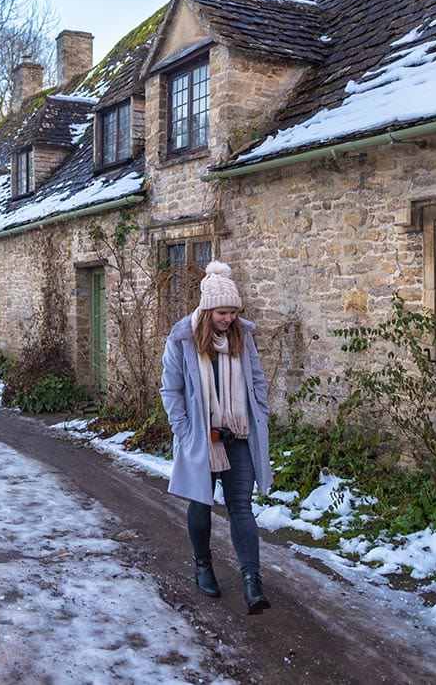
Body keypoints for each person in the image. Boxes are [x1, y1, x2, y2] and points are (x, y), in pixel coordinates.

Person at [160, 260, 273, 614]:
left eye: (234, 312)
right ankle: (203, 565)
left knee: (241, 506)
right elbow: (171, 389)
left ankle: (252, 582)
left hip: (238, 435)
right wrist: (185, 430)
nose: (229, 319)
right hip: (203, 437)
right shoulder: (182, 340)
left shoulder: (243, 336)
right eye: (223, 312)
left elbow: (256, 380)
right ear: (208, 310)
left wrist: (260, 414)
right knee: (201, 503)